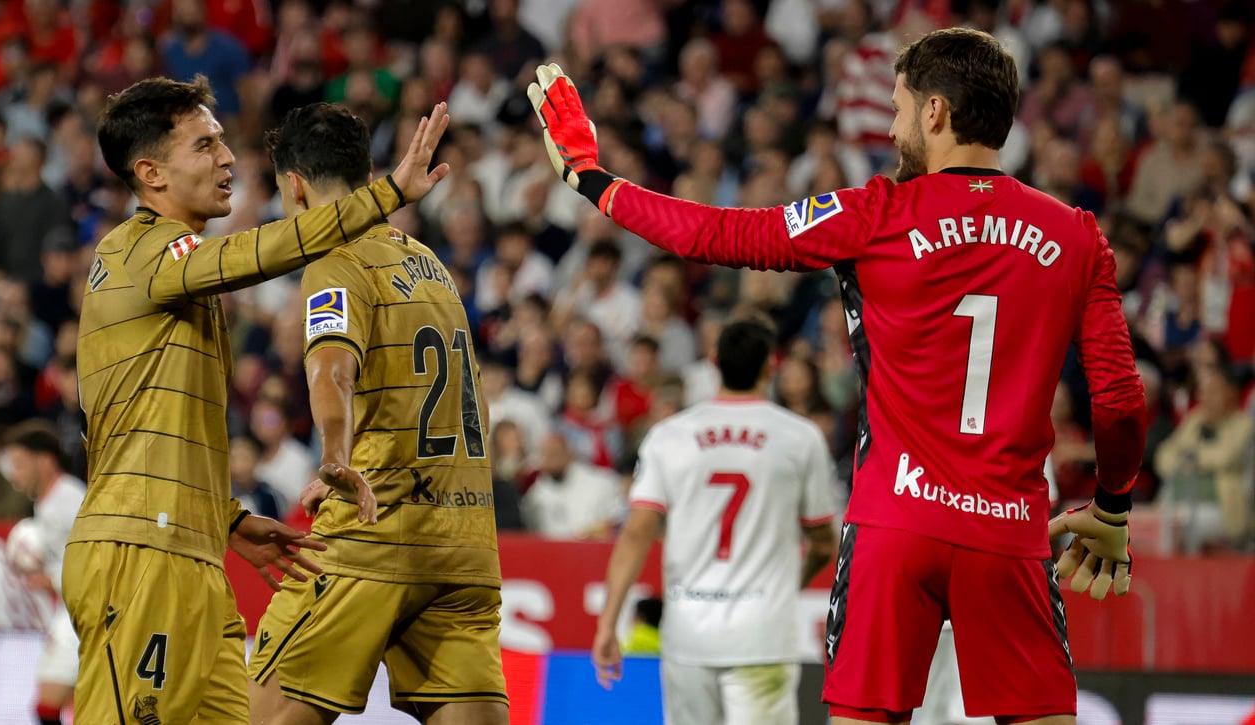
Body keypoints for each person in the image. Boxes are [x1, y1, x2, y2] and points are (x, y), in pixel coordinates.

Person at [531, 26, 1146, 725]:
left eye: (898, 107)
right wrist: (1114, 507)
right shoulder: (1075, 235)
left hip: (895, 528)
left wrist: (593, 181)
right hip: (1009, 536)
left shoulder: (875, 214)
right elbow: (1121, 402)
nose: (891, 124)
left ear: (936, 113)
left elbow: (716, 233)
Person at [64, 75, 451, 725]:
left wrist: (229, 519)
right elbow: (261, 250)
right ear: (151, 172)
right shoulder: (135, 251)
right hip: (138, 554)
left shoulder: (175, 273)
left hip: (192, 554)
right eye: (204, 146)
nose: (229, 159)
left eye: (221, 141)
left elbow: (160, 424)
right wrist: (384, 195)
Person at [247, 102, 507, 725]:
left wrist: (335, 459)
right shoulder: (432, 266)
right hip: (464, 546)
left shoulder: (334, 259)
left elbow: (330, 369)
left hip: (370, 539)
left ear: (295, 186)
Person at [592, 316, 842, 725]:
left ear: (713, 361)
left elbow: (636, 534)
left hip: (689, 632)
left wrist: (607, 623)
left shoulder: (669, 435)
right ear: (771, 366)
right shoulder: (800, 437)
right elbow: (821, 543)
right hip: (762, 633)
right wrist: (787, 586)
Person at [3, 422, 87, 725]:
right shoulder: (46, 503)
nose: (14, 475)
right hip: (69, 611)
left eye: (20, 464)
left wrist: (52, 580)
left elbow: (94, 561)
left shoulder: (69, 501)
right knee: (80, 704)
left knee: (48, 705)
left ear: (46, 461)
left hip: (82, 615)